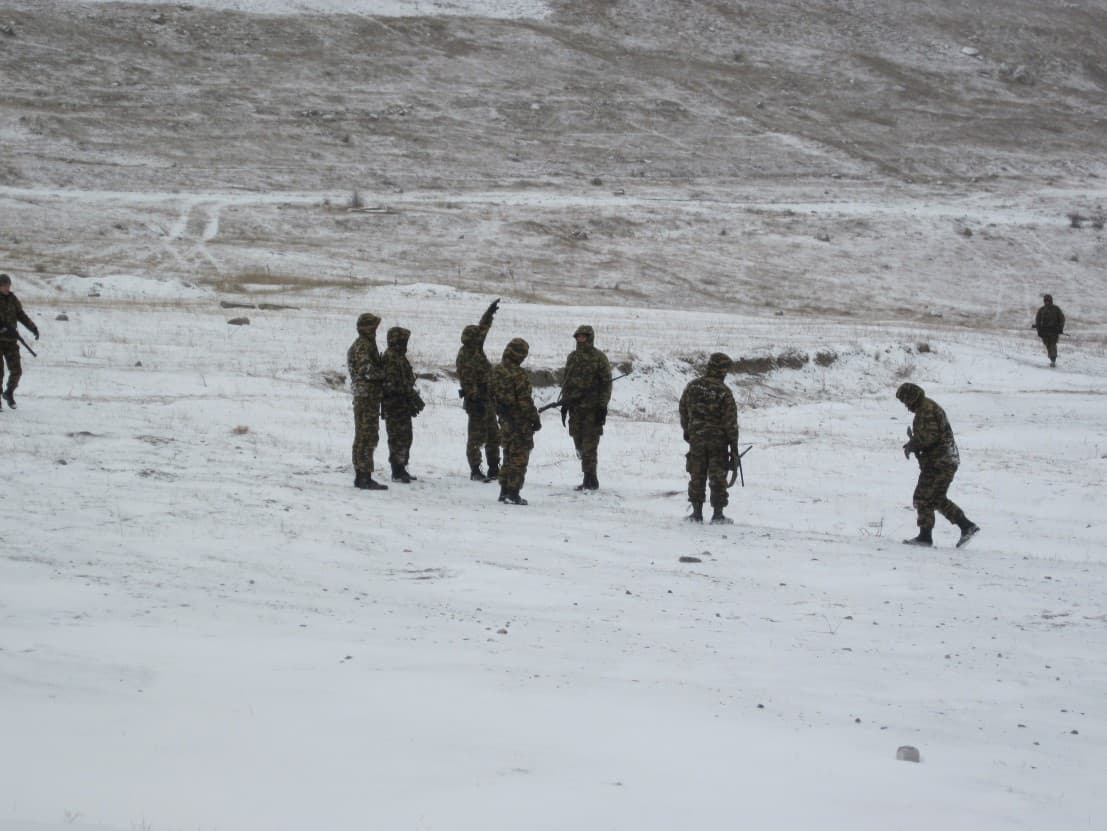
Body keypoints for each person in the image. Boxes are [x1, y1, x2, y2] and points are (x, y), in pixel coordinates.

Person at [896, 382, 980, 548]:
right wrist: (913, 444)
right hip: (941, 461)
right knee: (932, 498)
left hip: (941, 462)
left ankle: (927, 537)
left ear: (912, 398)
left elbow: (931, 437)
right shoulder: (924, 409)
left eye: (906, 401)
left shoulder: (927, 410)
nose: (906, 406)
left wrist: (915, 444)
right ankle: (964, 527)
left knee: (925, 497)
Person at [678, 352, 739, 524]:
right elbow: (730, 422)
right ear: (722, 370)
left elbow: (683, 410)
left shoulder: (693, 386)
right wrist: (733, 445)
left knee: (696, 474)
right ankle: (718, 514)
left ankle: (696, 513)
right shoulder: (724, 391)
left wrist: (688, 431)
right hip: (717, 442)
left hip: (696, 439)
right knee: (717, 476)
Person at [558, 325, 612, 490]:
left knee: (590, 445)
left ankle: (590, 479)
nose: (580, 339)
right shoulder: (572, 357)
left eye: (583, 336)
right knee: (578, 442)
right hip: (575, 409)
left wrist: (602, 406)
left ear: (590, 337)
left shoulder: (599, 358)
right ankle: (587, 474)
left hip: (592, 409)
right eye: (578, 336)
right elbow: (566, 380)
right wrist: (565, 403)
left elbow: (606, 385)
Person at [490, 337, 541, 505]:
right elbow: (524, 401)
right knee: (519, 458)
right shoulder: (518, 374)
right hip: (519, 422)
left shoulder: (497, 370)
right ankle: (513, 493)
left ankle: (504, 491)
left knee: (508, 456)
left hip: (504, 420)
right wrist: (534, 418)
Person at [456, 299, 501, 482]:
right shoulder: (465, 356)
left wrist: (489, 314)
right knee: (475, 437)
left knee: (493, 435)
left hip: (487, 399)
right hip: (476, 401)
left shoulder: (476, 348)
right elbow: (467, 382)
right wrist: (476, 400)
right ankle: (475, 469)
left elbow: (483, 329)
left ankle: (493, 468)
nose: (479, 339)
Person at [346, 312, 388, 490]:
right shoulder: (362, 346)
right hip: (366, 396)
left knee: (365, 435)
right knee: (367, 435)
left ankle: (362, 474)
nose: (376, 331)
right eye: (374, 327)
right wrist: (385, 374)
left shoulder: (366, 344)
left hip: (367, 395)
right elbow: (366, 370)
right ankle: (363, 476)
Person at [381, 326, 425, 483]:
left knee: (406, 436)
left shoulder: (399, 357)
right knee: (397, 437)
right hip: (394, 404)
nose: (406, 343)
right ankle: (397, 470)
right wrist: (408, 392)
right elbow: (391, 384)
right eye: (403, 340)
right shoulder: (391, 358)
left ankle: (402, 467)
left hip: (402, 404)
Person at [0, 273, 40, 411]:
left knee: (16, 371)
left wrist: (33, 328)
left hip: (11, 341)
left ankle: (9, 393)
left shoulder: (13, 299)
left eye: (8, 285)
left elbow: (21, 315)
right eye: (4, 285)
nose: (7, 288)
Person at [1032, 293, 1065, 367]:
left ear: (1051, 301)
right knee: (1047, 345)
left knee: (1052, 345)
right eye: (1046, 301)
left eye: (1048, 301)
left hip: (1054, 331)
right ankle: (1051, 358)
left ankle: (1053, 360)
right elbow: (1038, 320)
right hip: (1045, 332)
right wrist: (1039, 330)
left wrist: (1060, 328)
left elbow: (1062, 319)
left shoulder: (1056, 309)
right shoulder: (1041, 310)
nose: (1047, 302)